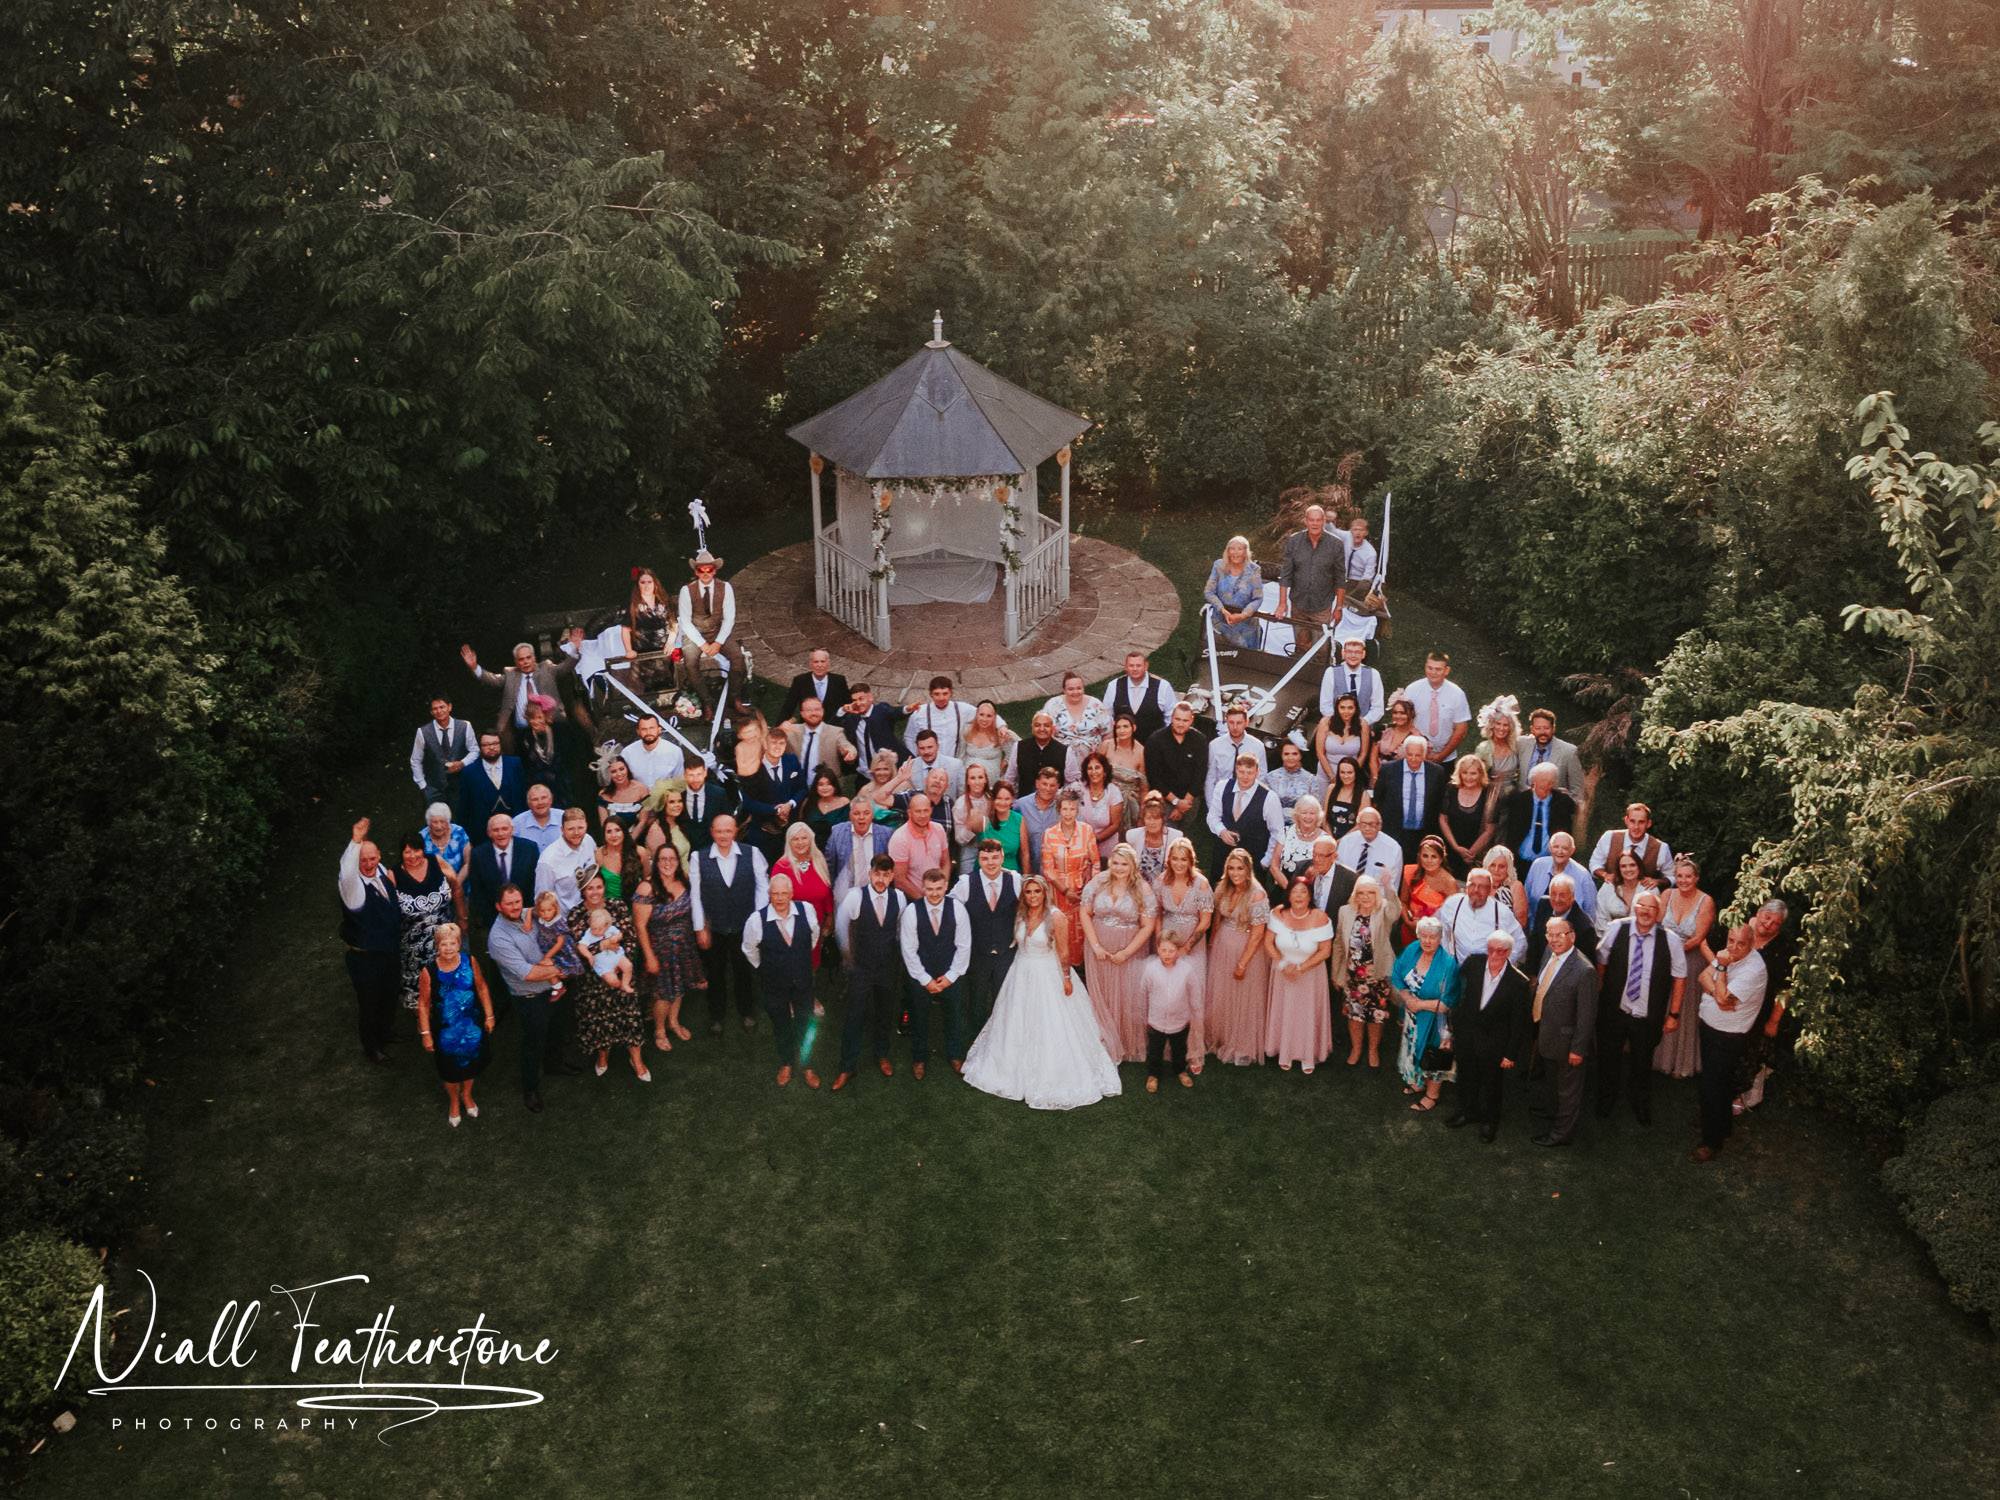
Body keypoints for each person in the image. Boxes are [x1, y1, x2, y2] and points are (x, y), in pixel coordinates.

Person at [961, 874, 1122, 1109]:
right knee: (1015, 1021)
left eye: (1037, 892)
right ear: (1024, 895)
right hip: (1020, 972)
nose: (1033, 896)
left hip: (1047, 972)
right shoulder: (1021, 914)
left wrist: (1066, 979)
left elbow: (1064, 954)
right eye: (1029, 892)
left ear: (1045, 893)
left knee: (1050, 1023)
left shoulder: (1057, 917)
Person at [1595, 889, 1686, 1126]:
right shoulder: (1617, 929)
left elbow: (1679, 978)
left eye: (1651, 908)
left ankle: (1641, 1105)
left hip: (1647, 1016)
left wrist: (1673, 1014)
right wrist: (1602, 996)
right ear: (1634, 908)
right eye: (1641, 906)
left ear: (1658, 914)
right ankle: (1606, 1100)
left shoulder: (1671, 940)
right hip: (1616, 1011)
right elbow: (1601, 963)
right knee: (1608, 1060)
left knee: (1642, 1064)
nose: (1645, 911)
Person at [486, 884, 566, 1113]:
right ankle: (530, 1089)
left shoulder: (529, 913)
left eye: (518, 902)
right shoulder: (498, 938)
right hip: (529, 997)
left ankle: (555, 1064)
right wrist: (563, 969)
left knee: (557, 1028)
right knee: (534, 1041)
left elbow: (551, 915)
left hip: (553, 988)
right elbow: (528, 973)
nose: (515, 907)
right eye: (509, 904)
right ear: (498, 906)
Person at [1447, 930, 1533, 1142]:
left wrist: (1510, 1054)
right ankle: (1468, 1112)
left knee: (1492, 1084)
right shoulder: (1473, 964)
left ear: (1509, 952)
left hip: (1495, 1043)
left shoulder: (1518, 982)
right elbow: (1460, 994)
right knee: (1467, 1077)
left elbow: (1518, 1022)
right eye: (1491, 949)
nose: (1494, 955)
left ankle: (1489, 1122)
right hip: (1467, 1036)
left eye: (1500, 951)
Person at [1691, 924, 1767, 1162]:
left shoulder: (1753, 969)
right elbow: (1702, 977)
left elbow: (1722, 994)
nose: (1733, 947)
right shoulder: (1727, 954)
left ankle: (1711, 1143)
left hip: (1727, 1037)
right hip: (1711, 1030)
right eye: (1731, 940)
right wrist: (1719, 994)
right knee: (1718, 1086)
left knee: (1713, 1088)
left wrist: (1721, 969)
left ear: (1751, 943)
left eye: (1740, 943)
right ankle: (1722, 1129)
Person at [831, 855, 906, 1089]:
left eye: (886, 875)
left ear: (892, 875)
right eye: (877, 874)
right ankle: (846, 1066)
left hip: (887, 966)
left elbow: (901, 930)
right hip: (861, 968)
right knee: (854, 1016)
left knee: (885, 1012)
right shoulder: (855, 896)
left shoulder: (899, 898)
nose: (881, 879)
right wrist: (847, 953)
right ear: (870, 873)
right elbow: (841, 924)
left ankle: (881, 1054)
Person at [691, 814, 770, 1035]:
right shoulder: (699, 857)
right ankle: (716, 1015)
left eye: (728, 831)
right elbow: (696, 896)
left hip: (743, 926)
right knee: (715, 973)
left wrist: (757, 921)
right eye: (719, 831)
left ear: (735, 831)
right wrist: (700, 928)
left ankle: (747, 1011)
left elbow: (763, 887)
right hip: (714, 927)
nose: (724, 835)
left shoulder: (752, 853)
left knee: (743, 971)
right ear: (712, 832)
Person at [1080, 844, 1157, 1064]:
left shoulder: (1143, 889)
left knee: (1126, 994)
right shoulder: (1098, 882)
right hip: (1098, 947)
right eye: (1115, 863)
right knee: (1100, 993)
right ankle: (1101, 1039)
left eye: (1124, 864)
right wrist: (1095, 946)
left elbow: (1147, 926)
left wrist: (1126, 952)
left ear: (1132, 865)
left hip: (1129, 949)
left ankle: (1123, 1041)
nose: (1119, 868)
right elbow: (1085, 912)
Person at [742, 872, 821, 1087]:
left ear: (791, 894)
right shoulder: (756, 920)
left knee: (805, 1023)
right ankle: (786, 1061)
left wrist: (798, 961)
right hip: (774, 984)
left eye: (784, 893)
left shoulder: (807, 911)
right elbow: (749, 950)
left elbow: (813, 937)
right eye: (775, 893)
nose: (779, 898)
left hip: (803, 981)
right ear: (769, 894)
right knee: (781, 1024)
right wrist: (769, 968)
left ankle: (807, 1065)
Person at [568, 874, 648, 1083]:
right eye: (589, 888)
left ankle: (636, 1060)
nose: (595, 892)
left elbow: (629, 936)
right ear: (583, 891)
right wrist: (602, 946)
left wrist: (621, 964)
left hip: (620, 970)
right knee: (599, 1019)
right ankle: (603, 1054)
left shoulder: (617, 906)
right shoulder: (576, 915)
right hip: (592, 978)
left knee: (630, 1014)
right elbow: (577, 952)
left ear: (604, 887)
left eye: (598, 887)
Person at [1528, 915, 1595, 1148]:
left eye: (1559, 935)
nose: (1554, 940)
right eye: (1550, 934)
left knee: (1568, 1092)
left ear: (1572, 937)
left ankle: (1560, 1134)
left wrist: (1578, 1049)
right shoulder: (1550, 953)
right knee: (1553, 1083)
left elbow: (1586, 1016)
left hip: (1568, 1042)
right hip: (1548, 1034)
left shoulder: (1584, 970)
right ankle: (1551, 1112)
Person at [337, 819, 400, 1065]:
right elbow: (347, 869)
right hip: (365, 957)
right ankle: (372, 1046)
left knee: (389, 993)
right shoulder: (352, 887)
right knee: (369, 1002)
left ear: (379, 857)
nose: (368, 864)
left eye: (372, 858)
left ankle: (385, 1032)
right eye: (363, 860)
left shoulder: (382, 871)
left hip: (387, 950)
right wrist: (356, 841)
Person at [900, 867, 972, 1079]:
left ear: (945, 887)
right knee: (919, 1017)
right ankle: (919, 1058)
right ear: (923, 887)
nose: (934, 893)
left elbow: (964, 946)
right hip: (921, 975)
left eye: (938, 889)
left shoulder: (957, 909)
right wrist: (925, 980)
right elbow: (909, 950)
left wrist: (950, 977)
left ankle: (955, 1055)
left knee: (953, 1016)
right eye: (929, 889)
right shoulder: (912, 911)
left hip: (951, 974)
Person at [460, 639, 589, 758]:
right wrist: (474, 667)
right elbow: (492, 680)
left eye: (528, 657)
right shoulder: (510, 675)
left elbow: (565, 667)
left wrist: (575, 651)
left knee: (559, 759)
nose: (526, 661)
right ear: (516, 662)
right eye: (521, 659)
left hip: (552, 725)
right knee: (528, 762)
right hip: (523, 731)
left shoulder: (546, 669)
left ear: (534, 658)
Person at [1206, 847, 1273, 1065]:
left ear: (1248, 870)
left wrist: (1242, 964)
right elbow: (1218, 918)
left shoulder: (1258, 894)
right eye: (1232, 868)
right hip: (1222, 948)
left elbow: (1257, 935)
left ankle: (1242, 1042)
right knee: (1223, 994)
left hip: (1246, 953)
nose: (1235, 873)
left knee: (1243, 997)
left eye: (1240, 869)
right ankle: (1223, 1037)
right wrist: (1212, 943)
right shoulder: (1223, 888)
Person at [1152, 839, 1214, 1072]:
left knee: (1192, 999)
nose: (1179, 863)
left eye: (1183, 859)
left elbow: (1205, 921)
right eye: (1175, 859)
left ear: (1190, 861)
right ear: (1169, 861)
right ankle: (1168, 1048)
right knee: (1167, 996)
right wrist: (1161, 944)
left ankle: (1194, 1053)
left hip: (1191, 946)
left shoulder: (1201, 884)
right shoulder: (1161, 881)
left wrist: (1184, 949)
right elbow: (1157, 913)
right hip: (1167, 943)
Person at [634, 844, 702, 1052]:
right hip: (659, 949)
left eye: (672, 859)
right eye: (662, 859)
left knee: (679, 987)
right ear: (656, 862)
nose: (667, 863)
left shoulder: (683, 881)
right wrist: (649, 956)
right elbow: (640, 926)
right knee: (663, 993)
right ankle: (660, 1030)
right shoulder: (647, 887)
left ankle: (674, 1022)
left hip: (683, 946)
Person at [1266, 875, 1336, 1072]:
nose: (1298, 896)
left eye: (1303, 892)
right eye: (1294, 891)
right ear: (1288, 895)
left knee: (1307, 1014)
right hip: (1282, 972)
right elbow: (1267, 943)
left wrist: (1300, 968)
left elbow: (1325, 951)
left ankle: (1307, 1055)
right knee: (1285, 1010)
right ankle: (1284, 1051)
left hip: (1310, 974)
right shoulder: (1278, 913)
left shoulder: (1320, 917)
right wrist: (1282, 964)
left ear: (1310, 895)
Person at [1653, 855, 1713, 1078]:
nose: (1683, 881)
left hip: (1690, 960)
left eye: (1688, 877)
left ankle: (1681, 1063)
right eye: (1679, 876)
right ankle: (1658, 1058)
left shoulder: (1705, 901)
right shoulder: (1667, 894)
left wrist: (1675, 954)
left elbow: (1699, 937)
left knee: (1683, 1010)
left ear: (1696, 878)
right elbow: (1657, 926)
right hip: (1664, 957)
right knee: (1661, 1003)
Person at [952, 840, 1020, 1038]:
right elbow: (952, 911)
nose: (990, 863)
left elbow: (1028, 909)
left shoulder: (1015, 880)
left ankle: (1002, 1041)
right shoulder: (966, 883)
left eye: (994, 858)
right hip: (978, 954)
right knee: (977, 1002)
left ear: (1002, 857)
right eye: (984, 858)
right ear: (978, 860)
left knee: (1005, 1000)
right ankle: (976, 1044)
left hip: (1006, 952)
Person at [1392, 916, 1460, 1113]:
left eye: (1432, 937)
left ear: (1440, 939)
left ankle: (1432, 1096)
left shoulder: (1448, 964)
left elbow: (1449, 1001)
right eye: (1424, 936)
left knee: (1434, 1056)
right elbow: (1397, 973)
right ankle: (1419, 1082)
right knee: (1415, 1049)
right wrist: (1407, 997)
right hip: (1413, 1016)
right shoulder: (1413, 949)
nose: (1427, 941)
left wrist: (1420, 1004)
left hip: (1436, 1019)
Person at [1735, 898, 1796, 1114]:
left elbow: (1786, 988)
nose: (1768, 924)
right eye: (1767, 917)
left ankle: (1742, 1097)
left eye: (1776, 923)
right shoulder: (1741, 929)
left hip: (1761, 1008)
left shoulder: (1784, 946)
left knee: (1751, 1052)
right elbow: (1711, 945)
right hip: (1732, 1000)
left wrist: (1774, 1020)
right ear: (1759, 913)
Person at [1332, 874, 1399, 1069]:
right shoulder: (1345, 911)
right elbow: (1338, 943)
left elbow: (1396, 912)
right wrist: (1336, 973)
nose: (1366, 897)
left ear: (1377, 894)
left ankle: (1373, 1051)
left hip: (1376, 975)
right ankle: (1356, 1049)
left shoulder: (1383, 910)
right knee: (1355, 1014)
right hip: (1352, 975)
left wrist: (1388, 888)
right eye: (1361, 893)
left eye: (1371, 892)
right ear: (1355, 894)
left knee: (1376, 1014)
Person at [390, 830, 455, 1019]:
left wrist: (463, 919)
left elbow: (456, 885)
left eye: (416, 850)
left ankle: (446, 1016)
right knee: (420, 987)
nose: (412, 856)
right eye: (407, 852)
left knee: (445, 980)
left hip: (443, 942)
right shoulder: (393, 875)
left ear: (423, 850)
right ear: (401, 853)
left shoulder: (436, 862)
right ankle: (424, 1023)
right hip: (413, 947)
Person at [774, 822, 835, 1008]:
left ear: (811, 840)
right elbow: (776, 900)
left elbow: (827, 891)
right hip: (791, 927)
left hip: (816, 925)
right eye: (795, 839)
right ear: (788, 842)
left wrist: (829, 916)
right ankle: (791, 1000)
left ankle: (809, 996)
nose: (800, 843)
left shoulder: (819, 860)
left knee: (812, 963)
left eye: (804, 838)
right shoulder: (782, 866)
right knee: (793, 965)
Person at [1039, 790, 1100, 968]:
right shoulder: (1049, 834)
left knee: (1082, 931)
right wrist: (1066, 891)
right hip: (1058, 891)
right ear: (1059, 810)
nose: (1068, 813)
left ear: (1077, 811)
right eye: (1065, 809)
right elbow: (1048, 869)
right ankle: (1062, 970)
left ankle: (1083, 971)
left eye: (1072, 809)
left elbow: (1095, 863)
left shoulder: (1086, 830)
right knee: (1061, 931)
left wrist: (1090, 889)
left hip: (1083, 890)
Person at [1139, 934, 1201, 1093]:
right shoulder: (1151, 968)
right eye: (1163, 950)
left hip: (1180, 1019)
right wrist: (1144, 1014)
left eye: (1171, 951)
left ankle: (1180, 1070)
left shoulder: (1187, 969)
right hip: (1156, 1019)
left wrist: (1195, 1013)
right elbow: (1143, 990)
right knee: (1155, 1050)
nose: (1167, 954)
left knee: (1179, 1048)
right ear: (1158, 949)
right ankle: (1153, 1074)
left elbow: (1194, 992)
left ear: (1179, 951)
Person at [1208, 753, 1283, 883]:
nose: (1245, 777)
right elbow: (1213, 816)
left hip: (1254, 861)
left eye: (1250, 772)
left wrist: (1266, 860)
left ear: (1257, 772)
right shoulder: (1222, 786)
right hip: (1223, 858)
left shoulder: (1269, 797)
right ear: (1236, 770)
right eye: (1241, 772)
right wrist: (1222, 831)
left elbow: (1277, 832)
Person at [677, 547, 747, 687]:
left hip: (717, 630)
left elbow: (729, 618)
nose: (705, 573)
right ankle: (706, 702)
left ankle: (735, 697)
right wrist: (702, 644)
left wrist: (718, 642)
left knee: (738, 657)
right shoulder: (686, 591)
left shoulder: (726, 587)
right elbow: (685, 621)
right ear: (696, 572)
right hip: (695, 633)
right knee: (690, 663)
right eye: (701, 570)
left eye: (708, 569)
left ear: (714, 570)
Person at [1435, 867, 1528, 965]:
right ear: (1466, 886)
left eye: (1482, 886)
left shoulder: (1501, 911)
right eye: (1472, 885)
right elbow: (1439, 930)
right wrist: (1447, 958)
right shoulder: (1452, 904)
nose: (1476, 890)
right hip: (1458, 969)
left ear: (1489, 890)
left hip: (1488, 973)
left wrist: (1503, 964)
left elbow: (1520, 941)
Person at [739, 731, 808, 858]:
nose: (778, 747)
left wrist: (790, 804)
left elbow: (803, 788)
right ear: (765, 744)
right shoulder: (752, 766)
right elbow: (748, 802)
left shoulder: (791, 760)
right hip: (762, 831)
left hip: (789, 831)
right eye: (774, 743)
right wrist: (775, 810)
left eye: (781, 743)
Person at [1275, 503, 1345, 629]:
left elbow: (1340, 578)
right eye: (1311, 520)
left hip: (1322, 606)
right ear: (1306, 521)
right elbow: (1285, 574)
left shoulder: (1336, 544)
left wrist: (1338, 607)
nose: (1315, 523)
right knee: (1300, 646)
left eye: (1318, 520)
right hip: (1298, 604)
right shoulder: (1293, 541)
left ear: (1324, 521)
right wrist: (1282, 603)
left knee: (1321, 647)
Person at [468, 812, 540, 928]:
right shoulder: (478, 854)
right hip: (493, 920)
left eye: (504, 829)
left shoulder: (529, 849)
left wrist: (527, 915)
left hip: (526, 917)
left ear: (512, 830)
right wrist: (492, 919)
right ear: (489, 833)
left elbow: (535, 885)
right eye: (495, 830)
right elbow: (477, 891)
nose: (500, 834)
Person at [1374, 733, 1448, 848]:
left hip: (1424, 833)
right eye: (1410, 755)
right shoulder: (1388, 770)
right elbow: (1378, 798)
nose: (1413, 759)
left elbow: (1440, 802)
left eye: (1418, 755)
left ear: (1424, 754)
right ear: (1404, 752)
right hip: (1394, 832)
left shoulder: (1436, 772)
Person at [1143, 701, 1205, 834]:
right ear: (1171, 717)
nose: (1181, 724)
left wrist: (1185, 803)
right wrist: (1176, 802)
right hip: (1164, 799)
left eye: (1185, 720)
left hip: (1190, 800)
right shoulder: (1155, 740)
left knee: (1183, 835)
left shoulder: (1200, 740)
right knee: (1165, 834)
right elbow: (1154, 777)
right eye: (1177, 719)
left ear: (1191, 720)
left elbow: (1200, 773)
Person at [1499, 762, 1576, 866]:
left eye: (1551, 782)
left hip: (1551, 862)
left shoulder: (1562, 803)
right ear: (1534, 780)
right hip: (1520, 861)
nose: (1547, 785)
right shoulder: (1518, 800)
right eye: (1543, 780)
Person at [457, 732, 528, 845]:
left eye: (495, 743)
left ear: (500, 744)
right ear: (480, 747)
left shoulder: (514, 764)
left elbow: (523, 794)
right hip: (482, 833)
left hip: (515, 828)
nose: (491, 747)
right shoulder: (469, 771)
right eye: (486, 745)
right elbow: (465, 805)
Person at [410, 694, 477, 810]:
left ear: (449, 707)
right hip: (434, 788)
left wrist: (463, 763)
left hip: (460, 785)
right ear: (431, 712)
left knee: (461, 819)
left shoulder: (465, 726)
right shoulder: (423, 732)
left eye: (442, 707)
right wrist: (423, 785)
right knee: (437, 823)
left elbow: (474, 750)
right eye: (435, 709)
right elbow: (415, 760)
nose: (439, 711)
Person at [1401, 652, 1471, 763]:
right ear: (1425, 667)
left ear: (1446, 671)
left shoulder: (1457, 694)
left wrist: (1442, 755)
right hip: (1415, 757)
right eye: (1430, 668)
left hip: (1446, 758)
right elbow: (1403, 722)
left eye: (1438, 669)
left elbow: (1461, 730)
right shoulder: (1412, 690)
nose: (1433, 672)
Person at [619, 566, 676, 696]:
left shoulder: (665, 601)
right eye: (642, 582)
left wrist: (670, 643)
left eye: (649, 582)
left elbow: (674, 625)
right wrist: (628, 650)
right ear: (637, 584)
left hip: (663, 652)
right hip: (641, 654)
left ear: (655, 583)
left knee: (666, 687)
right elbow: (625, 630)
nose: (646, 585)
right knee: (643, 690)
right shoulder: (631, 604)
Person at [826, 794, 892, 909]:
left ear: (872, 815)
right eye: (856, 813)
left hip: (877, 897)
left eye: (866, 813)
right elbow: (829, 867)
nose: (861, 817)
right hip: (845, 897)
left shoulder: (886, 834)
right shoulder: (837, 832)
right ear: (850, 815)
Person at [1527, 872, 1600, 972]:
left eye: (1562, 895)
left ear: (1572, 896)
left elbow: (1587, 969)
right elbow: (1535, 943)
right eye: (1553, 894)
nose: (1557, 899)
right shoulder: (1544, 905)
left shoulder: (1585, 928)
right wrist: (1532, 974)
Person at [1101, 652, 1178, 745]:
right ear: (1125, 667)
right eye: (1131, 665)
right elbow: (1107, 717)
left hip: (1154, 746)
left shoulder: (1163, 686)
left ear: (1146, 666)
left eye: (1138, 665)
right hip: (1122, 746)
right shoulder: (1114, 686)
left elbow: (1171, 717)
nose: (1134, 669)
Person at [1589, 803, 1673, 888]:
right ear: (1626, 820)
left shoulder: (1661, 848)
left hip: (1644, 897)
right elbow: (1595, 864)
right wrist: (1605, 875)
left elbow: (1672, 877)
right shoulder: (1609, 837)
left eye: (1641, 822)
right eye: (1632, 821)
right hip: (1612, 894)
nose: (1636, 827)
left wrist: (1658, 881)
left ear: (1648, 823)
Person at [1202, 535, 1264, 650]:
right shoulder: (1219, 565)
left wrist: (1243, 615)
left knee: (1247, 650)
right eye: (1232, 549)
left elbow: (1258, 598)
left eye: (1240, 549)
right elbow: (1209, 592)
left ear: (1246, 552)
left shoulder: (1254, 570)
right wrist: (1223, 610)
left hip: (1245, 621)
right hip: (1221, 618)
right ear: (1228, 551)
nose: (1236, 553)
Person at [532, 807, 600, 913]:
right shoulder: (548, 860)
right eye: (571, 829)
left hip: (592, 912)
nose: (576, 832)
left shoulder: (588, 840)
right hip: (565, 921)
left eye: (580, 828)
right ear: (562, 829)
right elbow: (542, 900)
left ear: (586, 825)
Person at [1525, 831, 1599, 926]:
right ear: (1550, 847)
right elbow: (1526, 899)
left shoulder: (1583, 876)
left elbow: (1591, 913)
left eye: (1565, 848)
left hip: (1569, 934)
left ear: (1572, 850)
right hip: (1536, 930)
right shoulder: (1537, 865)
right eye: (1556, 847)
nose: (1560, 851)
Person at [1438, 754, 1495, 878]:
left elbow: (1490, 830)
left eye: (1473, 773)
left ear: (1480, 774)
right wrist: (1456, 847)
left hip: (1476, 855)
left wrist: (1470, 853)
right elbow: (1443, 819)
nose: (1469, 777)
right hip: (1451, 849)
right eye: (1465, 773)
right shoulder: (1451, 788)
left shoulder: (1489, 793)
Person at [888, 792, 950, 901]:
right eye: (918, 811)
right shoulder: (900, 838)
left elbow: (946, 863)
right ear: (909, 813)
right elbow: (900, 880)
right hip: (914, 900)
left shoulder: (939, 829)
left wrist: (941, 889)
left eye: (926, 810)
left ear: (931, 810)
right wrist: (924, 901)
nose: (922, 815)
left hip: (939, 896)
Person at [1399, 835, 1458, 948]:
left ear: (1441, 859)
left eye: (1434, 857)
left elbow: (1452, 916)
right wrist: (1408, 923)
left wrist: (1428, 928)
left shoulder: (1449, 882)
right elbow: (1403, 902)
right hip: (1409, 931)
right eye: (1425, 856)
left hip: (1434, 936)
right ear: (1419, 856)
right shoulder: (1410, 872)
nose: (1429, 861)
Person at [781, 696, 858, 782]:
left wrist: (850, 751)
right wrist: (779, 730)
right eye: (809, 710)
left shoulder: (835, 732)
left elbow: (845, 744)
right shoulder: (791, 730)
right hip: (795, 784)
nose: (813, 713)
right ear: (802, 714)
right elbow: (769, 744)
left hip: (826, 787)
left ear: (822, 711)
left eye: (817, 709)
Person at [902, 675, 980, 760]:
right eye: (937, 694)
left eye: (945, 693)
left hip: (954, 761)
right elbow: (909, 737)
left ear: (951, 693)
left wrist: (997, 727)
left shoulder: (962, 709)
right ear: (931, 694)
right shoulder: (920, 712)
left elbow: (985, 713)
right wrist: (915, 758)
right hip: (928, 763)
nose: (941, 698)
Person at [1521, 708, 1587, 804]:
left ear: (1553, 728)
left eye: (1546, 728)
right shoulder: (1522, 745)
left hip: (1554, 810)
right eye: (1538, 728)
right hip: (1524, 807)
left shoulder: (1569, 751)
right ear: (1532, 729)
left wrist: (1567, 808)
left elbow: (1577, 788)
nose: (1542, 732)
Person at [836, 682, 905, 770]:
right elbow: (834, 727)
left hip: (886, 768)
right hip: (864, 768)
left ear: (870, 698)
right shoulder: (853, 717)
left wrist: (906, 709)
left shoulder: (881, 710)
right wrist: (843, 710)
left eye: (861, 699)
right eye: (854, 700)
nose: (858, 703)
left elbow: (895, 713)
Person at [1335, 806, 1403, 895]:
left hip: (1377, 900)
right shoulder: (1346, 842)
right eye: (1363, 824)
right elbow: (1340, 876)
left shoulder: (1393, 849)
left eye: (1372, 824)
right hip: (1348, 896)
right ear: (1358, 825)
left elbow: (1392, 886)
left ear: (1380, 826)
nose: (1367, 828)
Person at [1071, 751, 1126, 860]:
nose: (1093, 772)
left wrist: (1094, 840)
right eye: (1089, 768)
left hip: (1107, 847)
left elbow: (1115, 825)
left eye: (1097, 767)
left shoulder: (1113, 792)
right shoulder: (1077, 788)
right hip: (1080, 845)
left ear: (1104, 771)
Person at [1204, 705, 1268, 798]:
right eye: (1231, 722)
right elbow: (1210, 778)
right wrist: (1212, 806)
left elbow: (1261, 778)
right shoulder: (1215, 745)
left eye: (1239, 723)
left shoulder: (1257, 746)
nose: (1235, 727)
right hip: (1222, 796)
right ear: (1226, 722)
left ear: (1246, 723)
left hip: (1247, 797)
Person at [1319, 637, 1385, 727]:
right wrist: (1340, 723)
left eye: (1357, 652)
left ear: (1363, 654)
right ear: (1343, 653)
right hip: (1337, 729)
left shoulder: (1374, 674)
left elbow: (1378, 708)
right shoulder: (1331, 672)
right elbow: (1325, 706)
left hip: (1363, 729)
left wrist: (1362, 723)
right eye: (1349, 652)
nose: (1353, 655)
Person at [1269, 792, 1328, 888]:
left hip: (1312, 890)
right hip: (1284, 888)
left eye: (1312, 813)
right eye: (1304, 813)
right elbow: (1274, 866)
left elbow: (1325, 869)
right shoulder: (1286, 832)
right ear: (1297, 814)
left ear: (1318, 816)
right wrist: (1290, 890)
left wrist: (1301, 892)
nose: (1308, 817)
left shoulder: (1324, 839)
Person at [1100, 714, 1149, 832]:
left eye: (1126, 726)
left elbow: (1144, 788)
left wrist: (1142, 815)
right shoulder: (1107, 745)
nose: (1121, 730)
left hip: (1129, 804)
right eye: (1118, 727)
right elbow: (1093, 771)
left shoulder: (1140, 752)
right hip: (1106, 800)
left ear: (1134, 728)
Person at [1044, 671, 1112, 755]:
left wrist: (1100, 756)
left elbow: (1108, 733)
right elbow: (1042, 732)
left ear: (1083, 688)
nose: (1075, 692)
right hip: (1059, 755)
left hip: (1092, 758)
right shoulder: (1052, 705)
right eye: (1070, 689)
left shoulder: (1096, 705)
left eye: (1079, 688)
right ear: (1064, 690)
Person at [778, 649, 851, 725]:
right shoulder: (800, 681)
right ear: (810, 664)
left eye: (823, 661)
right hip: (807, 727)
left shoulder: (839, 680)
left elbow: (848, 704)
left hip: (833, 728)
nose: (819, 665)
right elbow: (788, 707)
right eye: (816, 662)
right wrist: (779, 727)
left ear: (828, 663)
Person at [959, 700, 1018, 794]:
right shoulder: (967, 730)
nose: (984, 719)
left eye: (989, 716)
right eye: (981, 714)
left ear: (994, 718)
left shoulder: (999, 733)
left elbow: (1012, 751)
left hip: (992, 784)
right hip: (969, 782)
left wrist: (1005, 762)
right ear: (976, 715)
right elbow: (961, 755)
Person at [421, 802, 471, 912]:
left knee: (460, 921)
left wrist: (456, 884)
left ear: (448, 822)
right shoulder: (421, 838)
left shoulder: (459, 833)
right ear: (429, 823)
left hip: (460, 886)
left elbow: (469, 862)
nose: (438, 826)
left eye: (442, 821)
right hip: (432, 892)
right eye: (434, 822)